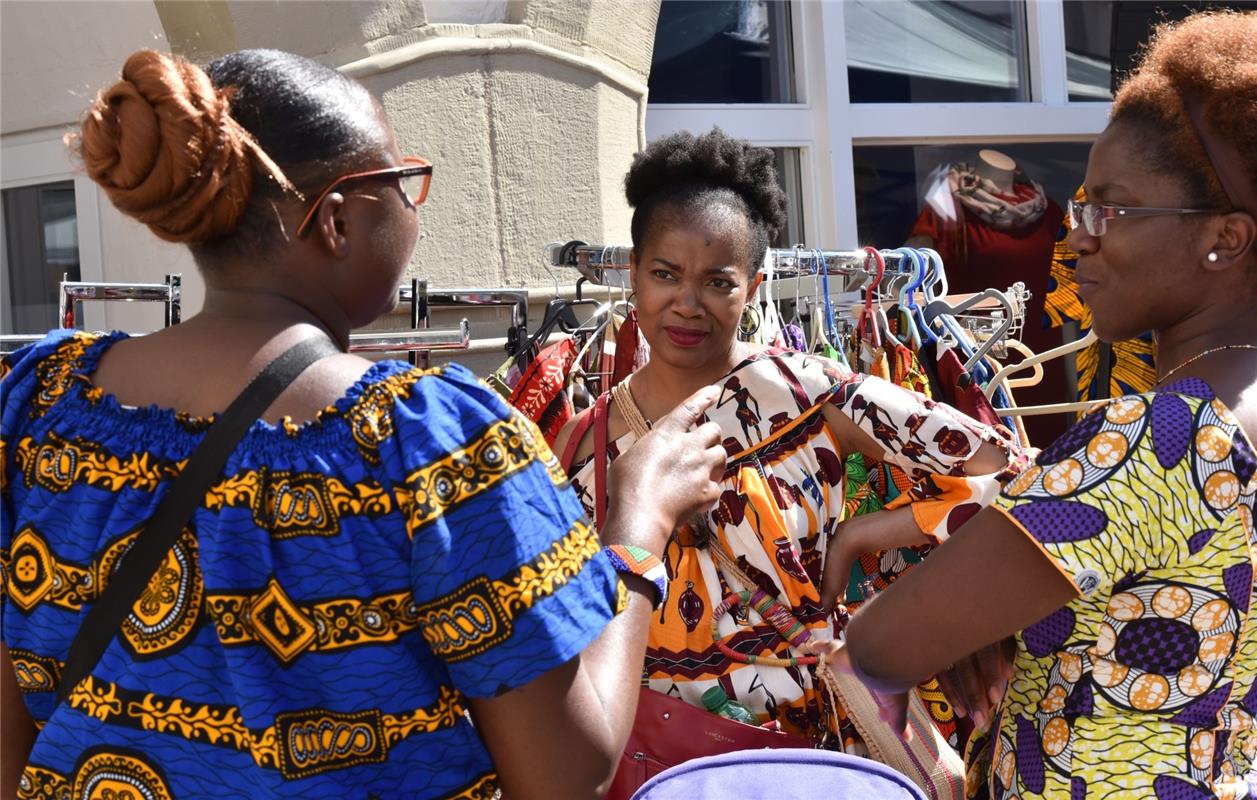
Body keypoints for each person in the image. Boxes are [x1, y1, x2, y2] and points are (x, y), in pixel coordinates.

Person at [0, 49, 727, 800]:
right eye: (403, 185)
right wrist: (639, 530)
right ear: (337, 220)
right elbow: (566, 772)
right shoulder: (431, 444)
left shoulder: (37, 407)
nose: (416, 210)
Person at [827, 11, 1257, 798]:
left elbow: (881, 647)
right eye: (1077, 208)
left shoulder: (1160, 435)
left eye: (1109, 210)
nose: (1074, 239)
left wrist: (962, 620)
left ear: (1224, 239)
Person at [553, 128, 1028, 752]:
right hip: (653, 764)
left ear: (753, 285)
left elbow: (1008, 468)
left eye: (718, 281)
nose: (688, 303)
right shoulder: (581, 442)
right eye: (666, 273)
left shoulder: (806, 394)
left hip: (809, 755)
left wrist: (863, 535)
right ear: (635, 276)